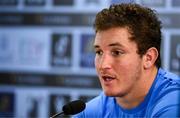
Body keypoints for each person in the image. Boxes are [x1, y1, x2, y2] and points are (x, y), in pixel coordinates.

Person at [73, 3, 180, 117]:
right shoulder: (93, 110)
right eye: (99, 52)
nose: (103, 65)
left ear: (149, 58)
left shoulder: (173, 103)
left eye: (117, 52)